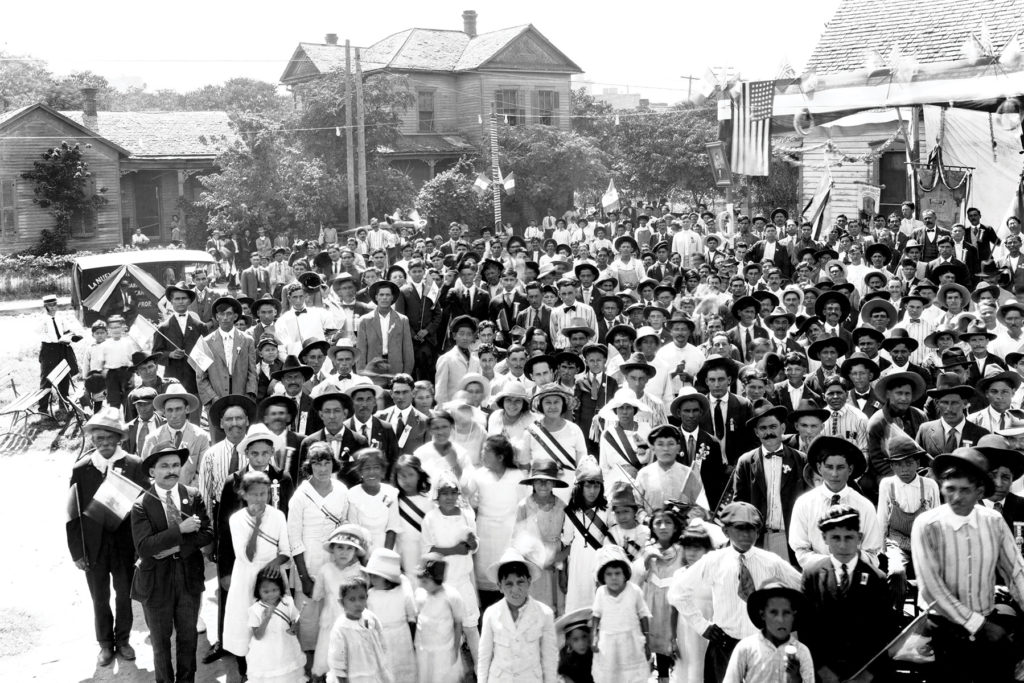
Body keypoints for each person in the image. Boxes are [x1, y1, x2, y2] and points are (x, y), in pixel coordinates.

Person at [911, 446, 1024, 682]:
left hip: (987, 624)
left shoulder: (993, 521)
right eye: (950, 489)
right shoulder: (927, 525)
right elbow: (931, 589)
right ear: (942, 487)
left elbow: (1015, 572)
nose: (957, 497)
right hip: (943, 631)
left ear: (979, 491)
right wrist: (980, 625)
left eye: (965, 490)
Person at [668, 502, 801, 683]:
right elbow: (677, 592)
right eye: (740, 528)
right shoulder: (714, 561)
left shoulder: (771, 562)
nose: (747, 534)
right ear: (725, 532)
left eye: (752, 529)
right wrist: (702, 626)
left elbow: (804, 587)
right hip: (724, 646)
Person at [67, 408, 150, 667]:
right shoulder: (82, 468)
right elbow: (73, 514)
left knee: (124, 594)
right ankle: (105, 643)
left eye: (110, 438)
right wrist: (77, 552)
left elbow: (144, 509)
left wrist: (141, 548)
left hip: (126, 546)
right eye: (98, 438)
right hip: (93, 547)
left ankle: (123, 639)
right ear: (92, 439)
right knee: (99, 597)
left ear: (119, 438)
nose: (104, 444)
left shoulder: (134, 465)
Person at [130, 445, 214, 683]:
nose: (171, 471)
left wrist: (176, 546)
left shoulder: (193, 495)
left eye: (175, 465)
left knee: (188, 639)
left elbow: (207, 533)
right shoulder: (141, 504)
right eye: (164, 466)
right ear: (152, 472)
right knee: (160, 642)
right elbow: (144, 547)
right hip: (156, 581)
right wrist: (181, 530)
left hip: (189, 577)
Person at [799, 505, 893, 683]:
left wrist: (866, 675)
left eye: (849, 537)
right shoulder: (812, 574)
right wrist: (823, 672)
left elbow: (884, 633)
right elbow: (806, 629)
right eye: (835, 538)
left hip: (865, 673)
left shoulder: (877, 579)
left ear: (859, 538)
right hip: (822, 672)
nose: (842, 545)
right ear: (824, 538)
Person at [287, 442, 350, 663]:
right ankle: (310, 668)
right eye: (316, 463)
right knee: (309, 619)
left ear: (334, 464)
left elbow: (344, 527)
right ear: (309, 465)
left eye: (326, 463)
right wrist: (304, 577)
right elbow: (294, 538)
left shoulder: (342, 490)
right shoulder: (300, 495)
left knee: (335, 614)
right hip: (309, 563)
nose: (322, 469)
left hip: (335, 562)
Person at [788, 436, 882, 568]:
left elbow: (872, 553)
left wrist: (846, 564)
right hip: (818, 575)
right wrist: (830, 565)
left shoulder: (864, 506)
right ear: (819, 468)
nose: (834, 474)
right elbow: (801, 551)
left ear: (850, 469)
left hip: (853, 577)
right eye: (829, 467)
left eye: (840, 467)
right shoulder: (804, 503)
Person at [733, 401, 807, 561]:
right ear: (756, 432)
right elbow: (739, 503)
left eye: (773, 427)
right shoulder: (746, 462)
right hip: (758, 539)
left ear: (783, 428)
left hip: (790, 538)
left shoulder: (801, 460)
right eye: (763, 428)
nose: (768, 432)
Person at [875, 429, 940, 610]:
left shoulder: (929, 485)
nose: (904, 469)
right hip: (896, 540)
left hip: (924, 541)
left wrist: (936, 551)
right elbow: (881, 519)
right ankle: (896, 614)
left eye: (909, 463)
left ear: (917, 462)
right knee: (897, 572)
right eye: (899, 465)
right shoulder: (888, 485)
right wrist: (880, 553)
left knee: (931, 575)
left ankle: (925, 614)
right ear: (892, 467)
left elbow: (937, 520)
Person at [721, 580, 813, 683]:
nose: (780, 620)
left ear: (793, 616)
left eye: (786, 613)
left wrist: (796, 678)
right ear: (762, 614)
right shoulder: (746, 648)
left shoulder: (801, 652)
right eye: (773, 612)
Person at [590, 544, 652, 683]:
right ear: (603, 577)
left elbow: (643, 615)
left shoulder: (634, 591)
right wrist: (594, 636)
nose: (613, 578)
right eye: (609, 574)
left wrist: (647, 641)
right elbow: (596, 615)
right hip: (608, 644)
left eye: (617, 573)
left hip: (631, 642)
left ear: (625, 574)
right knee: (610, 677)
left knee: (631, 677)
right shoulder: (601, 593)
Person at [363, 547, 418, 681]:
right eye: (370, 575)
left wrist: (413, 640)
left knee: (404, 669)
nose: (371, 579)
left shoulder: (403, 590)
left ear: (387, 578)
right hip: (380, 639)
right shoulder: (369, 596)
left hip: (401, 637)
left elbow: (412, 615)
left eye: (375, 576)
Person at [326, 575, 393, 683]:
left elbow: (381, 640)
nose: (358, 603)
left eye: (362, 598)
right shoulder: (341, 628)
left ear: (367, 597)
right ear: (342, 602)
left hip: (374, 673)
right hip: (354, 677)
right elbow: (337, 660)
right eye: (352, 599)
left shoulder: (370, 617)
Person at [196, 296, 258, 411]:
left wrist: (249, 395)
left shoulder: (247, 340)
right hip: (216, 398)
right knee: (217, 427)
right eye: (221, 314)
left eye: (229, 314)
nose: (225, 318)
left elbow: (252, 372)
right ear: (216, 316)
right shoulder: (205, 342)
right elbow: (200, 376)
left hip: (241, 397)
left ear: (235, 317)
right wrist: (213, 398)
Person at [415, 553, 469, 683]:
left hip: (444, 649)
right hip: (425, 647)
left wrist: (455, 648)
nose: (421, 585)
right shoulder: (420, 593)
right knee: (426, 676)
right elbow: (418, 618)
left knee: (442, 677)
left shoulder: (451, 596)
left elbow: (457, 623)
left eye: (425, 581)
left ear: (437, 580)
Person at [143, 385, 209, 484]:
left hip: (190, 494)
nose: (174, 415)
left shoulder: (201, 437)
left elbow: (203, 472)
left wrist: (186, 493)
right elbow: (147, 474)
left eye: (178, 409)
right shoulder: (152, 438)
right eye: (170, 410)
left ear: (186, 409)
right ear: (164, 412)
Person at [38, 293, 81, 411]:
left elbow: (67, 330)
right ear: (45, 306)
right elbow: (41, 334)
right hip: (49, 349)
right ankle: (42, 408)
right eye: (50, 305)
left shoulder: (60, 317)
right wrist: (56, 339)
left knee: (64, 374)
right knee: (46, 378)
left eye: (54, 304)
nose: (53, 307)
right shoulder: (42, 320)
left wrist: (72, 335)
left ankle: (64, 403)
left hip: (62, 348)